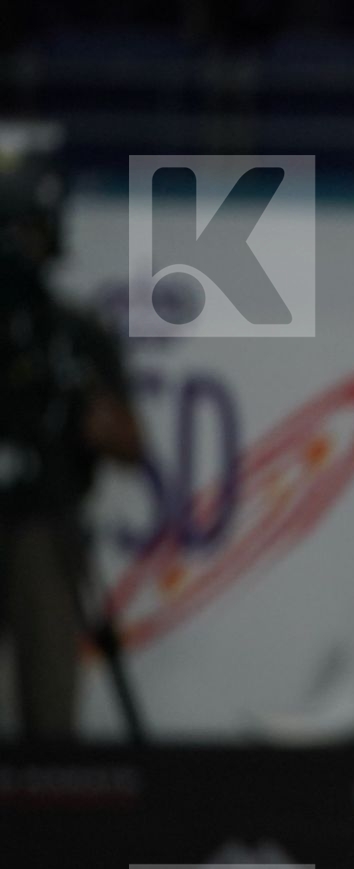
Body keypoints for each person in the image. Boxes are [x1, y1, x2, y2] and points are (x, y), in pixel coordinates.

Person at [0, 135, 141, 740]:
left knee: (50, 704)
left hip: (42, 522)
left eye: (29, 234)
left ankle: (49, 821)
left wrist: (87, 414)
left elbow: (131, 443)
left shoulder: (74, 335)